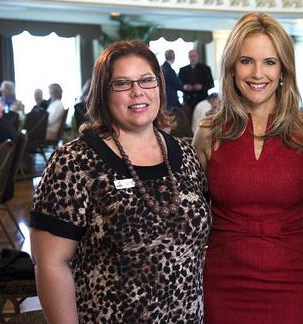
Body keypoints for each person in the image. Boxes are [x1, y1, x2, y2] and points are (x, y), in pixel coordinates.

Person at [30, 40, 211, 323]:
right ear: (103, 92)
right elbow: (51, 263)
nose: (137, 91)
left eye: (146, 80)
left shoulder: (187, 154)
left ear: (160, 87)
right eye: (122, 83)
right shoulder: (73, 162)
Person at [193, 12, 303, 323]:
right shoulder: (209, 130)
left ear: (283, 69)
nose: (257, 73)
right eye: (246, 61)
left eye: (269, 62)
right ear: (232, 68)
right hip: (222, 281)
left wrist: (274, 235)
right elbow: (195, 211)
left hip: (292, 281)